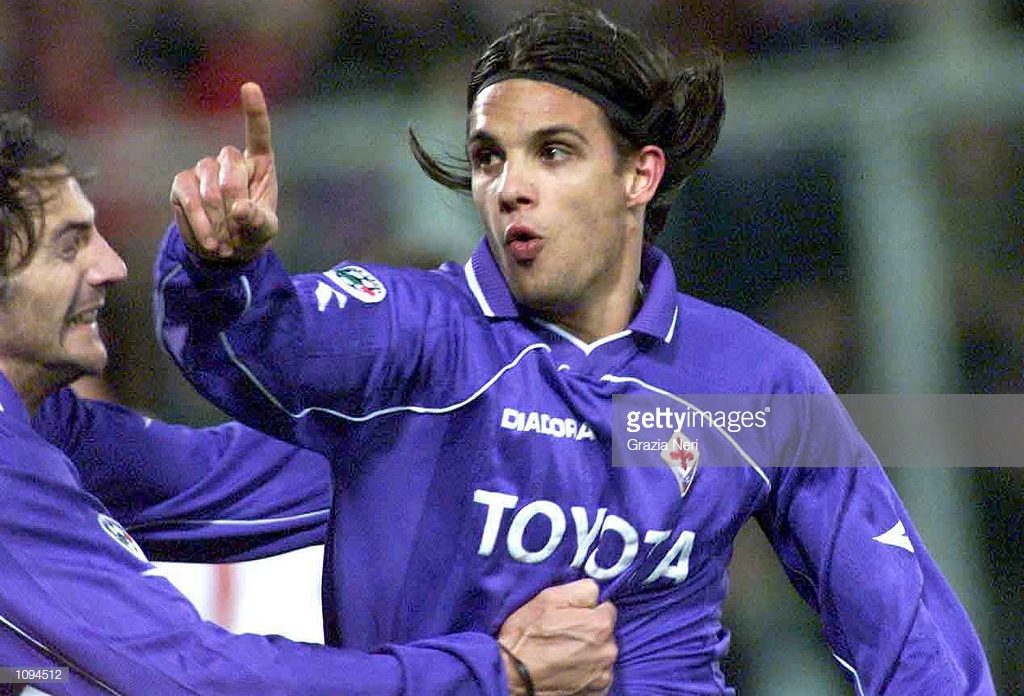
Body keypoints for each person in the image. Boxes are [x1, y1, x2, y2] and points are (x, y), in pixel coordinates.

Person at [157, 7, 995, 694]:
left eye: (553, 152)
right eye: (490, 157)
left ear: (640, 175)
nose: (510, 185)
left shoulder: (744, 385)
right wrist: (220, 266)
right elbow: (258, 347)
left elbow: (904, 624)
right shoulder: (419, 334)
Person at [0, 110, 618, 695]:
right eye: (68, 245)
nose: (111, 266)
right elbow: (191, 677)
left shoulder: (44, 428)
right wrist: (495, 675)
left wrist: (567, 433)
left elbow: (221, 480)